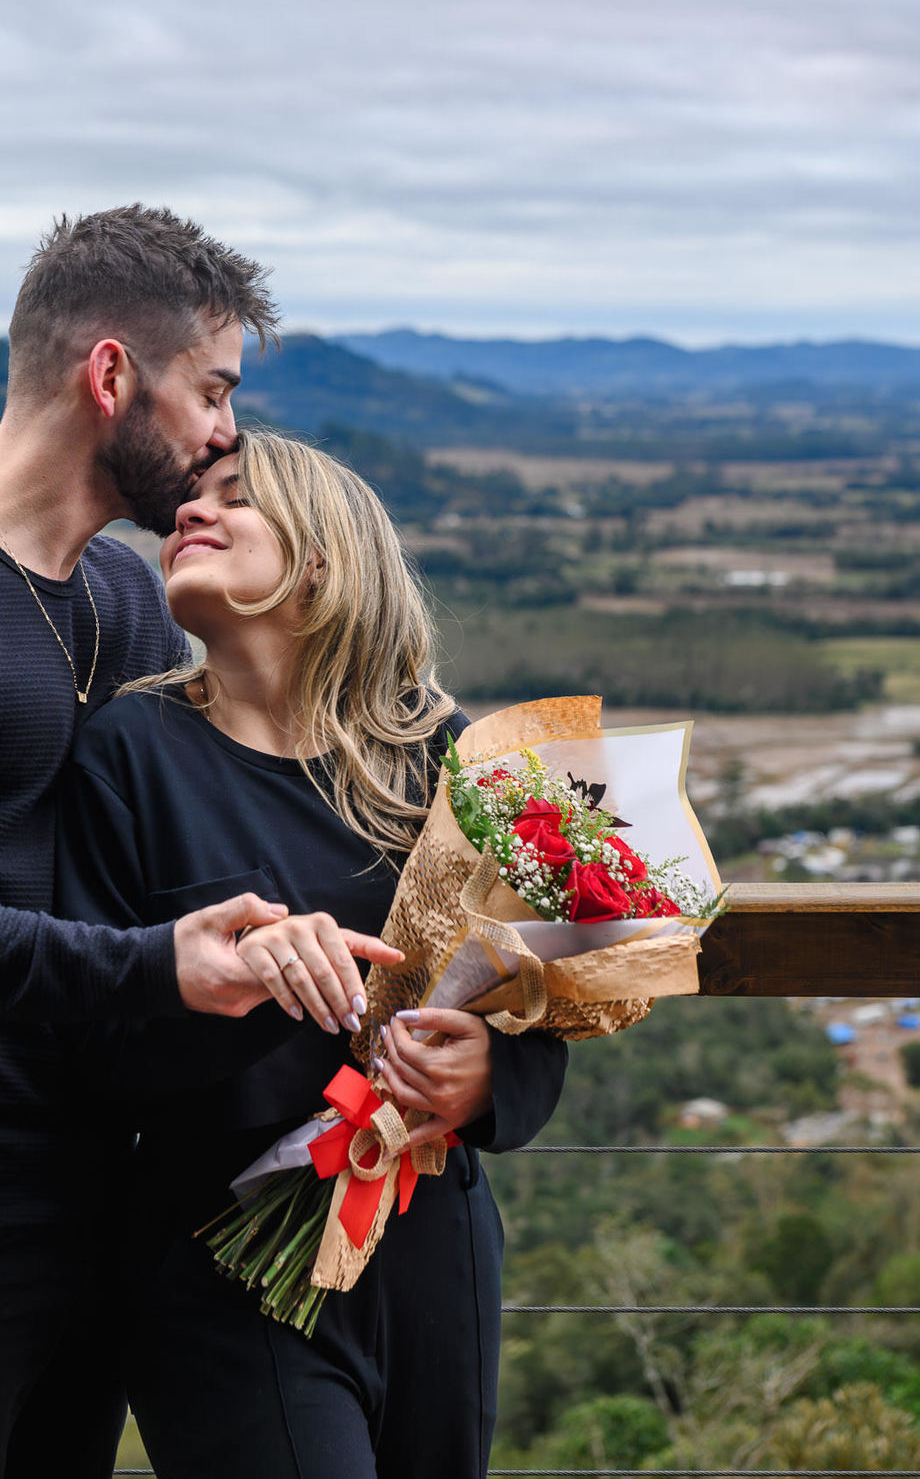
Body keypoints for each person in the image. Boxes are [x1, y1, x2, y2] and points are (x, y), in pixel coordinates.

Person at [0, 207, 395, 1479]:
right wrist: (156, 968)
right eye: (212, 390)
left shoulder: (128, 599)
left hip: (102, 1202)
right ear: (111, 375)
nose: (228, 432)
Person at [57, 428, 569, 1479]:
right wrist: (244, 980)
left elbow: (544, 996)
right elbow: (88, 1043)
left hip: (433, 1239)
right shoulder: (125, 752)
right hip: (219, 1254)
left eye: (235, 498)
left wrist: (488, 1074)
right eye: (186, 504)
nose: (188, 514)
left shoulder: (440, 751)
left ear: (324, 559)